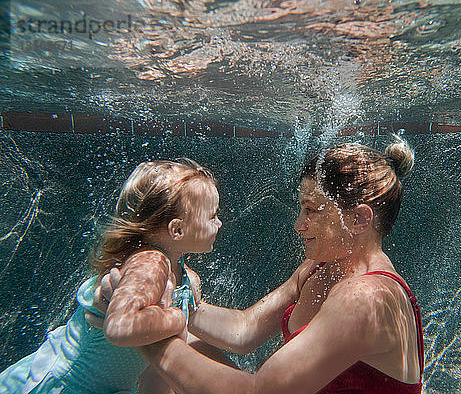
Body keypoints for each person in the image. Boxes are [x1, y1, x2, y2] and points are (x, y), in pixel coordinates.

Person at [96, 137, 424, 394]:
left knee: (170, 359)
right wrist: (172, 305)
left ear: (358, 219)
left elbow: (257, 391)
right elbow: (245, 329)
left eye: (311, 210)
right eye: (300, 208)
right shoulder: (319, 268)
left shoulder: (366, 299)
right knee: (192, 344)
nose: (298, 224)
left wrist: (142, 334)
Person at [0, 159, 230, 394]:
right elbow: (120, 327)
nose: (219, 223)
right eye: (212, 217)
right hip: (65, 385)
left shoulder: (182, 276)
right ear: (177, 230)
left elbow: (155, 371)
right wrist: (179, 319)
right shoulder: (150, 263)